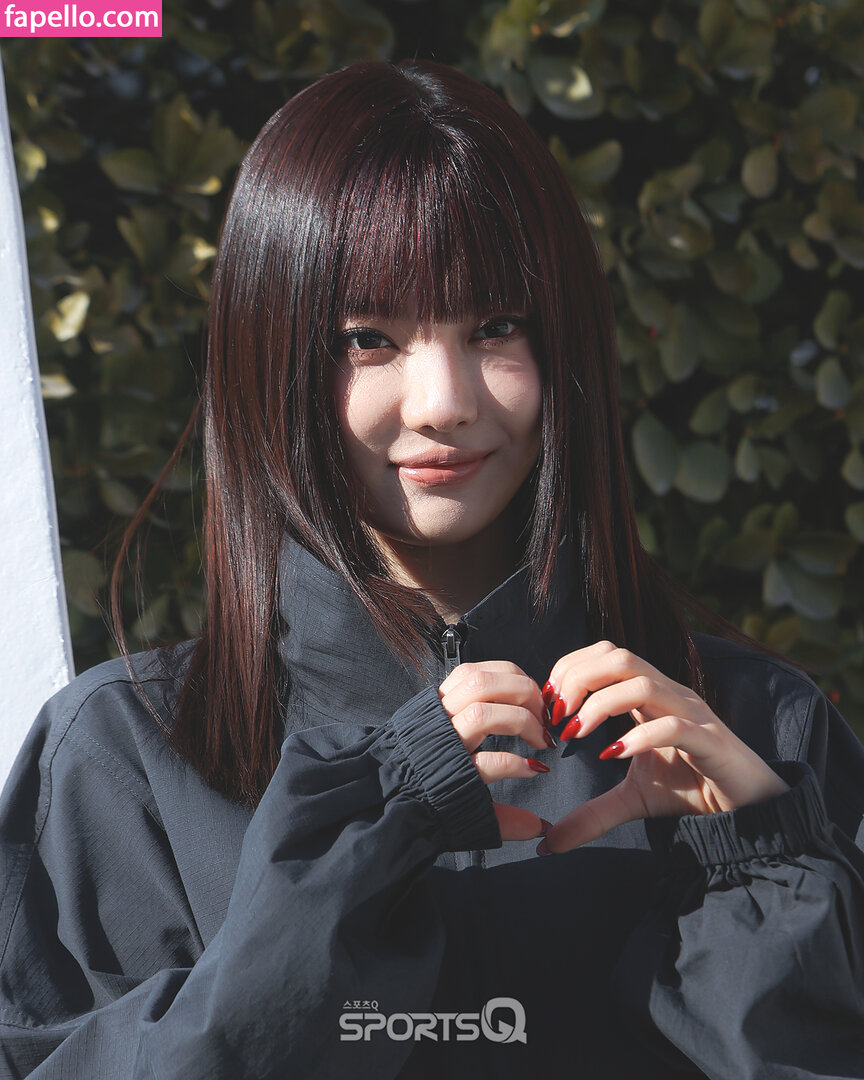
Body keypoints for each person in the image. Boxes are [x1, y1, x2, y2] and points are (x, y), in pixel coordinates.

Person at [1, 58, 863, 1080]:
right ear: (270, 356)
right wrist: (347, 864)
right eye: (368, 339)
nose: (444, 401)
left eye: (495, 327)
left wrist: (764, 868)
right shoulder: (124, 757)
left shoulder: (759, 731)